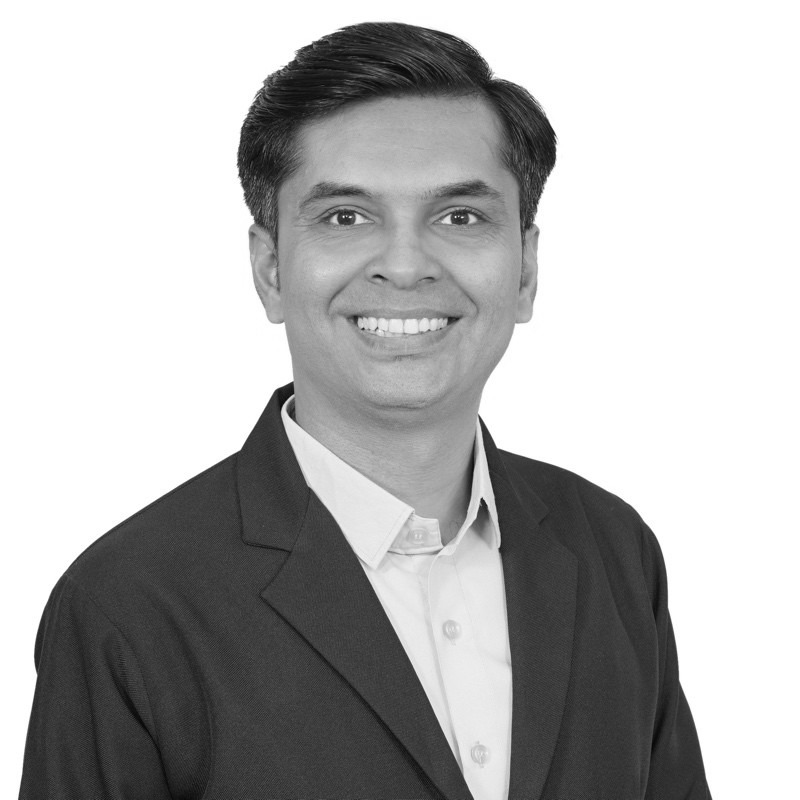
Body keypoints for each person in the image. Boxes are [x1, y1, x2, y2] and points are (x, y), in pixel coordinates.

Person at [18, 21, 711, 800]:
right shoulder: (129, 603)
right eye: (345, 217)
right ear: (270, 270)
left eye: (460, 217)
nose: (406, 266)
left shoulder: (614, 550)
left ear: (525, 270)